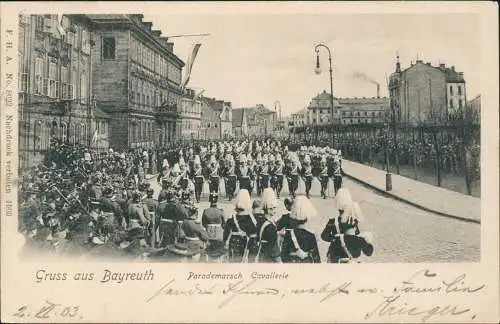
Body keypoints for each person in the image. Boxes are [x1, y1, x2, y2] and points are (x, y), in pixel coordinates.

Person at [320, 188, 374, 263]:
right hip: (352, 258)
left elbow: (324, 236)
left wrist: (334, 238)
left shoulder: (333, 221)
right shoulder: (353, 221)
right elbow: (368, 251)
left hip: (335, 257)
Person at [281, 196, 321, 263]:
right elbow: (317, 259)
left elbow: (284, 256)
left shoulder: (288, 234)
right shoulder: (311, 235)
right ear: (306, 219)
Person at [223, 189, 258, 263]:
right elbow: (253, 235)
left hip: (233, 243)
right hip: (245, 243)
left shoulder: (232, 217)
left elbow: (225, 234)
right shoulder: (250, 218)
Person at [254, 188, 281, 263]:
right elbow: (274, 247)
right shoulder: (270, 226)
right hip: (269, 257)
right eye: (271, 208)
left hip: (260, 253)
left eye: (274, 208)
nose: (274, 210)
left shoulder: (260, 220)